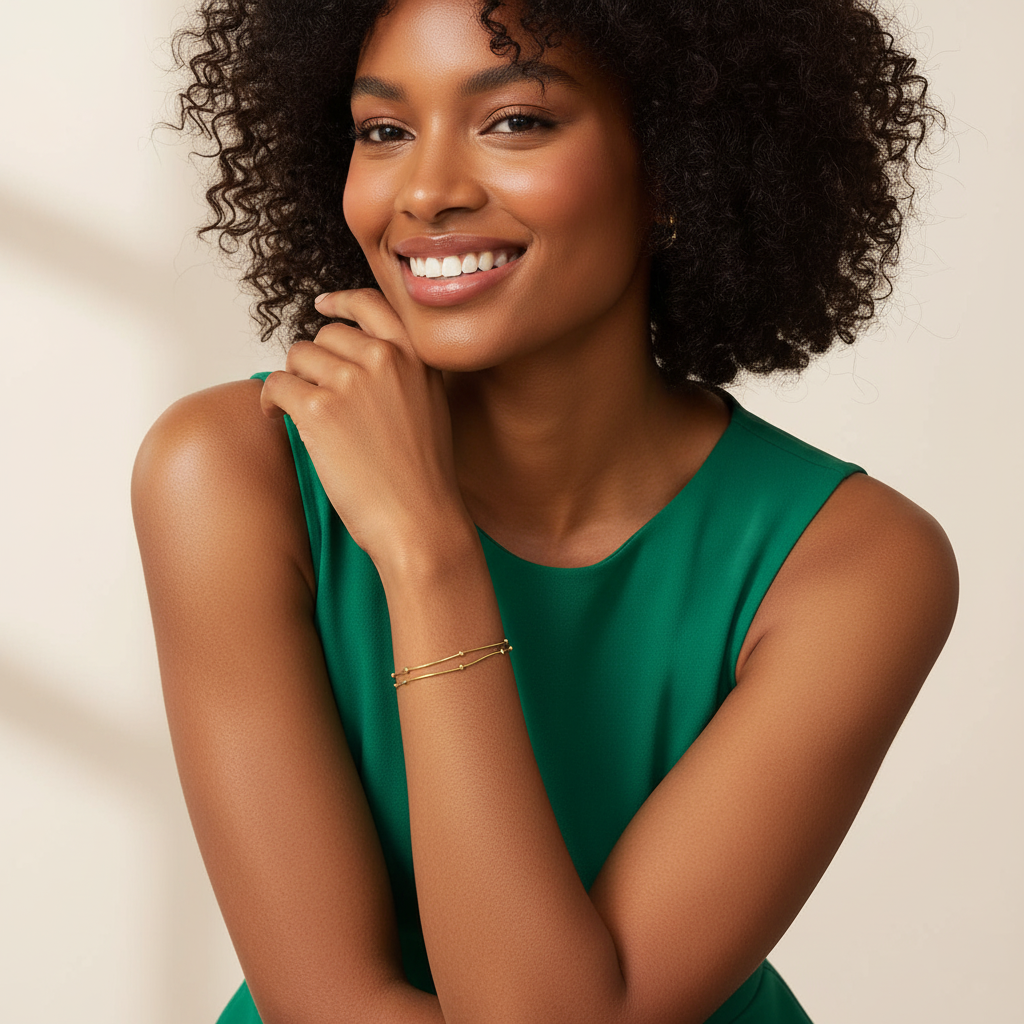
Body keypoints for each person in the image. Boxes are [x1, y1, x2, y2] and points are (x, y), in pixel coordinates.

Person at [132, 0, 956, 1021]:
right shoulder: (229, 470)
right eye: (383, 131)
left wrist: (427, 553)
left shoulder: (854, 562)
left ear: (670, 163)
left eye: (514, 121)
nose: (426, 190)